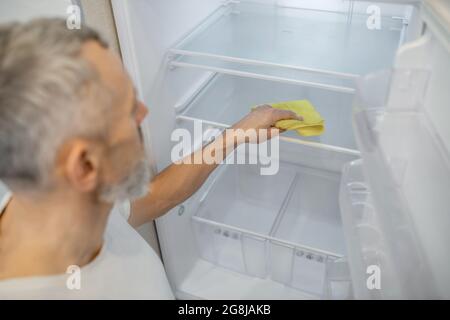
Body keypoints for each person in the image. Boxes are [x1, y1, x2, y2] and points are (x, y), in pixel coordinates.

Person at [0, 18, 300, 299]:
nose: (144, 113)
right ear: (85, 165)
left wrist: (235, 135)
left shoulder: (58, 201)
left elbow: (157, 197)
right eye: (127, 109)